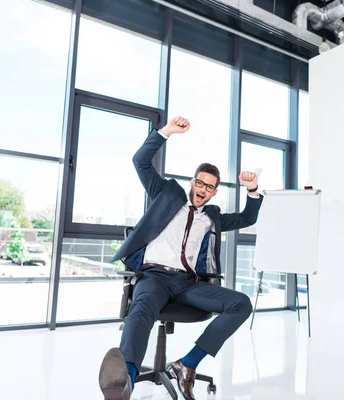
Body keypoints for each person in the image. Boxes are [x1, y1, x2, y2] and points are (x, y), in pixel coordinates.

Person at [98, 116, 263, 400]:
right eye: (200, 182)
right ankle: (126, 381)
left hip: (188, 284)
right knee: (141, 309)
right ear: (193, 181)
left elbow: (248, 217)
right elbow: (140, 161)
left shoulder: (213, 217)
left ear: (214, 192)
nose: (203, 189)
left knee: (241, 304)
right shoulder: (166, 193)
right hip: (154, 277)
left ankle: (187, 363)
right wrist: (167, 132)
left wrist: (252, 189)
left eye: (210, 187)